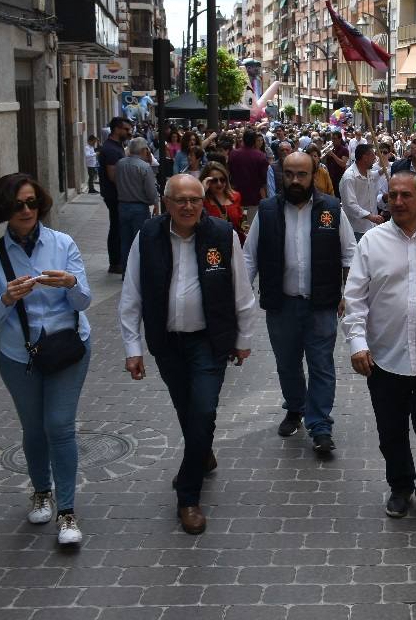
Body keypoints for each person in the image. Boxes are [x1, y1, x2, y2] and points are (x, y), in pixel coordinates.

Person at [119, 174, 256, 535]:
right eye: (180, 200)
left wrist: (243, 337)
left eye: (195, 199)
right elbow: (131, 294)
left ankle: (188, 495)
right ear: (166, 203)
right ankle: (202, 450)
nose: (188, 206)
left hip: (209, 340)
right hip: (166, 342)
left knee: (204, 408)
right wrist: (133, 348)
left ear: (203, 200)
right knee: (187, 408)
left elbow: (242, 290)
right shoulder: (147, 236)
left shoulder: (221, 235)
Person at [0, 174, 91, 546]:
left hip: (67, 347)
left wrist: (70, 284)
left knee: (59, 425)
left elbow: (85, 300)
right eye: (17, 205)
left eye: (31, 202)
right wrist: (7, 299)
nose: (26, 211)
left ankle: (67, 511)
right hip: (18, 355)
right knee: (33, 427)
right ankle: (42, 490)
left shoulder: (62, 243)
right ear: (3, 210)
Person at [343, 172, 416, 526]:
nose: (399, 202)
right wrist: (357, 343)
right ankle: (401, 486)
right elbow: (355, 298)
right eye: (392, 196)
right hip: (385, 359)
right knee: (391, 433)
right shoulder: (371, 243)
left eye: (406, 195)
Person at [244, 151, 356, 458]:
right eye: (289, 174)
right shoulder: (267, 211)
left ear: (314, 174)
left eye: (301, 174)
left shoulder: (331, 209)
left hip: (321, 305)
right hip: (281, 306)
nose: (295, 180)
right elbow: (249, 257)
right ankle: (295, 408)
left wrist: (349, 293)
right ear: (282, 174)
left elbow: (349, 253)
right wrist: (243, 299)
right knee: (287, 364)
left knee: (321, 365)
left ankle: (320, 426)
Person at [114, 137, 159, 273]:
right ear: (143, 150)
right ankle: (137, 272)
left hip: (122, 206)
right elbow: (151, 190)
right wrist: (155, 203)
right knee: (139, 241)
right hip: (139, 207)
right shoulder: (144, 167)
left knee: (125, 240)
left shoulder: (120, 164)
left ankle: (126, 272)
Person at [98, 117, 132, 274]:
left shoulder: (116, 146)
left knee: (117, 227)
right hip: (114, 195)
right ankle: (115, 262)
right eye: (126, 129)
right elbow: (113, 176)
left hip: (116, 195)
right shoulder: (111, 149)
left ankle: (117, 261)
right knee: (117, 228)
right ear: (117, 129)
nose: (128, 132)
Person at [340, 143, 385, 240]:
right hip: (357, 229)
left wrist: (381, 171)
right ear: (365, 157)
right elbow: (350, 205)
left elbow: (373, 176)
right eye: (373, 155)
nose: (375, 158)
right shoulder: (349, 177)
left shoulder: (367, 171)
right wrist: (370, 216)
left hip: (371, 226)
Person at [227, 129, 269, 226]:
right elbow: (264, 179)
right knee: (252, 226)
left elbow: (229, 172)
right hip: (254, 197)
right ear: (254, 140)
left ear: (243, 139)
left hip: (237, 195)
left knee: (237, 225)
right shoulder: (260, 156)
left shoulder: (233, 154)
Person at [201, 161, 248, 244]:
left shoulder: (235, 196)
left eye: (222, 179)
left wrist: (246, 230)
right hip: (213, 246)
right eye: (214, 180)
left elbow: (241, 221)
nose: (219, 183)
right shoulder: (202, 201)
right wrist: (202, 191)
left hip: (236, 243)